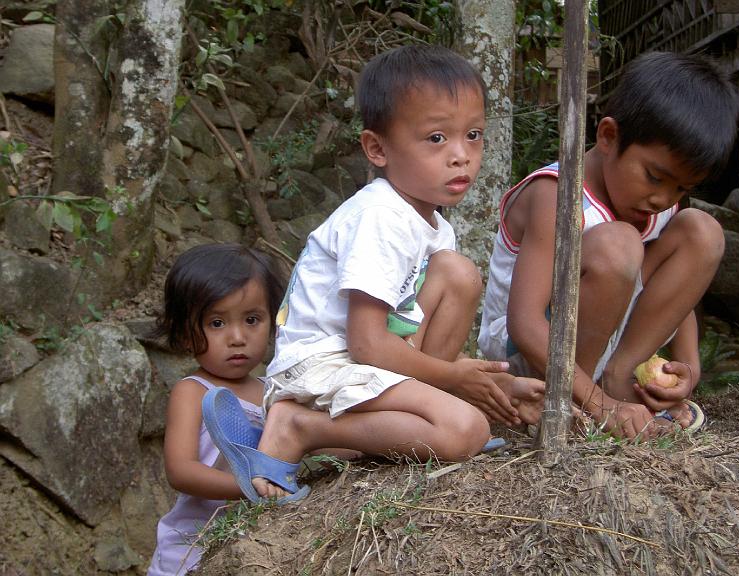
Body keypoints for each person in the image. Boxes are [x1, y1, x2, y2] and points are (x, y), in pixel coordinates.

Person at [202, 44, 545, 502]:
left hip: (366, 357)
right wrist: (455, 383)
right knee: (466, 430)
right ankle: (297, 425)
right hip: (325, 363)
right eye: (437, 138)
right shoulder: (380, 217)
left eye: (474, 135)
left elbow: (400, 327)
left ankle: (374, 432)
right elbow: (367, 342)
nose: (461, 155)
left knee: (458, 274)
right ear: (377, 148)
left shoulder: (434, 227)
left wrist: (488, 384)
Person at [478, 51, 739, 440]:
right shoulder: (557, 195)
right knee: (620, 244)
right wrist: (601, 406)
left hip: (601, 346)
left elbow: (677, 298)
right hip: (529, 354)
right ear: (608, 136)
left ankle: (617, 381)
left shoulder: (656, 201)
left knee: (702, 232)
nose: (663, 198)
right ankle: (571, 404)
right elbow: (525, 323)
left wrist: (686, 369)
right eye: (654, 177)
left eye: (681, 187)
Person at [147, 243, 286, 576]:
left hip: (254, 543)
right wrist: (250, 487)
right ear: (184, 332)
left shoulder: (274, 393)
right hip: (190, 552)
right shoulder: (192, 392)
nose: (237, 337)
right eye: (217, 323)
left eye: (252, 319)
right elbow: (181, 471)